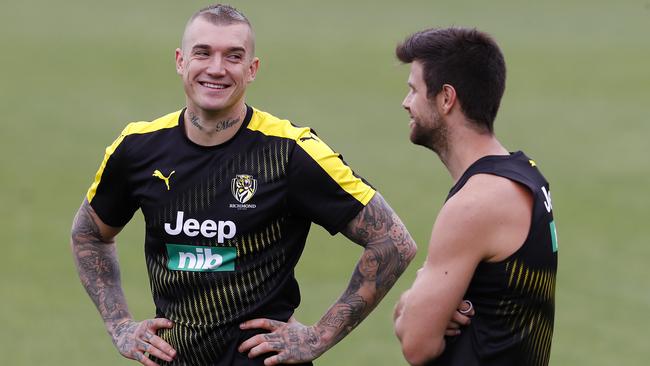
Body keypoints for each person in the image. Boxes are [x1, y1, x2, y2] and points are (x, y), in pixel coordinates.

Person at [70, 4, 419, 366]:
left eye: (233, 56)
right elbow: (89, 233)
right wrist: (120, 325)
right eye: (203, 53)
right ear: (180, 61)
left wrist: (319, 336)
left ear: (251, 69)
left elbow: (393, 241)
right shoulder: (138, 148)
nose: (216, 68)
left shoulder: (290, 152)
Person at [392, 27, 558, 366]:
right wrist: (425, 303)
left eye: (414, 90)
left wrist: (419, 299)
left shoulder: (475, 205)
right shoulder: (526, 175)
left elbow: (416, 342)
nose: (406, 103)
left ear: (446, 98)